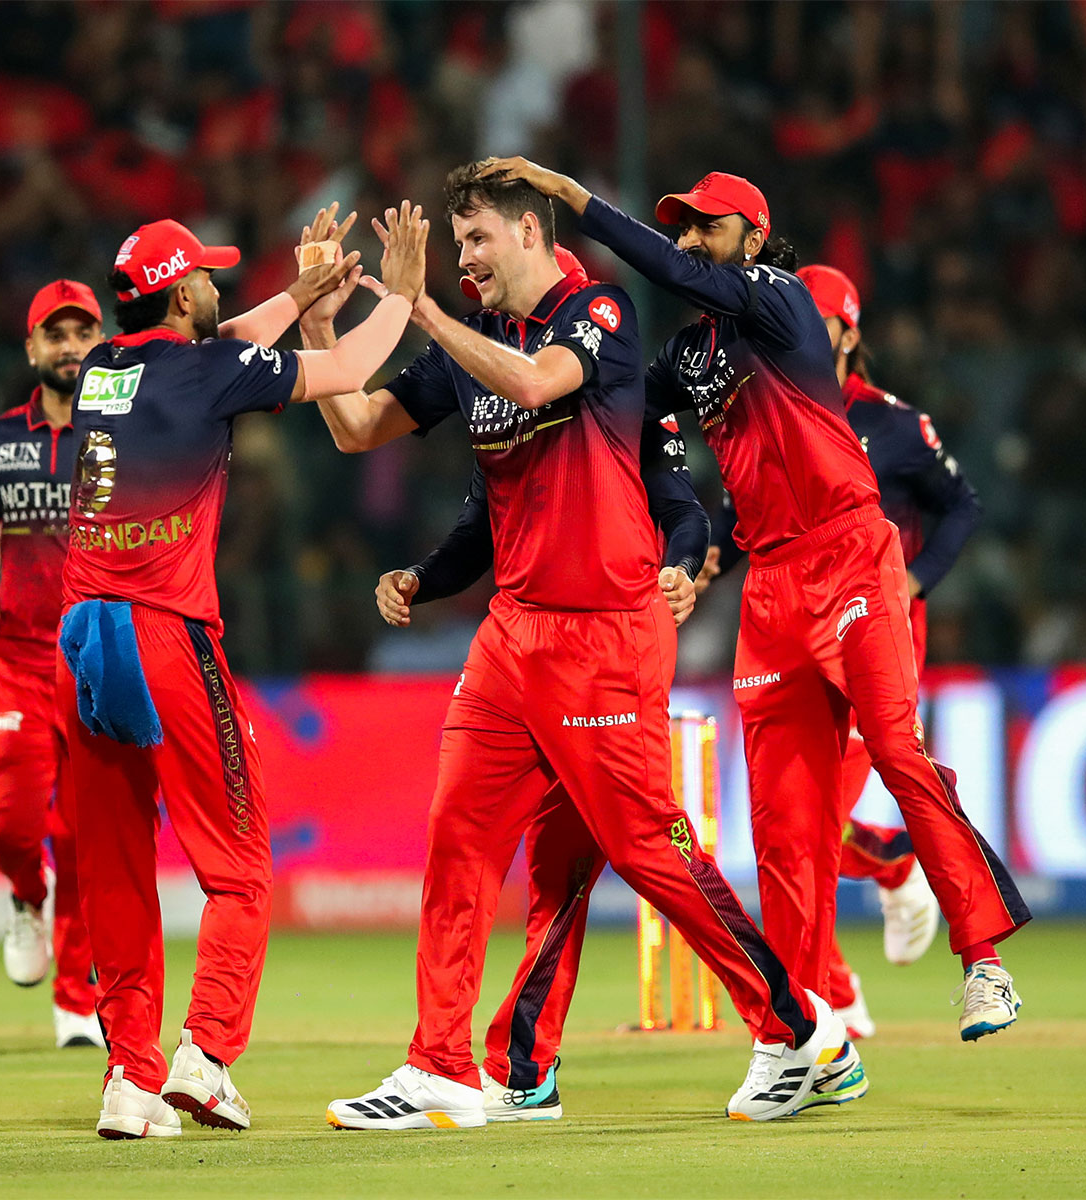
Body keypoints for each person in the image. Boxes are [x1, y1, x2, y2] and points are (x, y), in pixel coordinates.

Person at [311, 164, 846, 1132]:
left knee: (648, 845)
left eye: (475, 240)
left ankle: (795, 1028)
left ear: (528, 233)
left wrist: (420, 306)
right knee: (458, 839)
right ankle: (438, 1064)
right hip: (513, 632)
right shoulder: (469, 349)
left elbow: (532, 381)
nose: (462, 258)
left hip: (605, 631)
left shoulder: (594, 313)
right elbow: (354, 427)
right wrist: (317, 320)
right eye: (454, 243)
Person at [478, 158, 1028, 1062]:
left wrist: (570, 201)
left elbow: (677, 274)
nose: (693, 237)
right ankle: (806, 1031)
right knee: (784, 826)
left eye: (708, 223)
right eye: (683, 224)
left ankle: (982, 957)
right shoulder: (690, 356)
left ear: (756, 237)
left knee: (894, 745)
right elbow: (616, 404)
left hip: (852, 553)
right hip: (770, 587)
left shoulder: (776, 301)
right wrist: (687, 552)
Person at [60, 203, 428, 1139]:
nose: (219, 283)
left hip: (81, 633)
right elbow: (344, 368)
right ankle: (208, 1056)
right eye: (207, 274)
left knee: (115, 872)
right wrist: (408, 296)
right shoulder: (210, 370)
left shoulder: (107, 367)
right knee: (240, 867)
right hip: (165, 635)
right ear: (182, 291)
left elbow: (219, 346)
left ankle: (129, 1081)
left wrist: (301, 293)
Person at [699, 264, 984, 1039]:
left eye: (814, 322)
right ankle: (856, 929)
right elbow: (742, 511)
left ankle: (828, 989)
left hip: (872, 620)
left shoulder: (893, 423)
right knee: (799, 822)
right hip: (792, 617)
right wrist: (706, 554)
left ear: (847, 335)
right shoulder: (765, 407)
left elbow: (960, 504)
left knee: (817, 818)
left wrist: (918, 582)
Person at [0, 280, 105, 1050]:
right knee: (7, 819)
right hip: (16, 656)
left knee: (85, 835)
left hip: (97, 658)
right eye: (57, 334)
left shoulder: (124, 427)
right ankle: (25, 896)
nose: (70, 346)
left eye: (84, 332)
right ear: (32, 349)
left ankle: (78, 999)